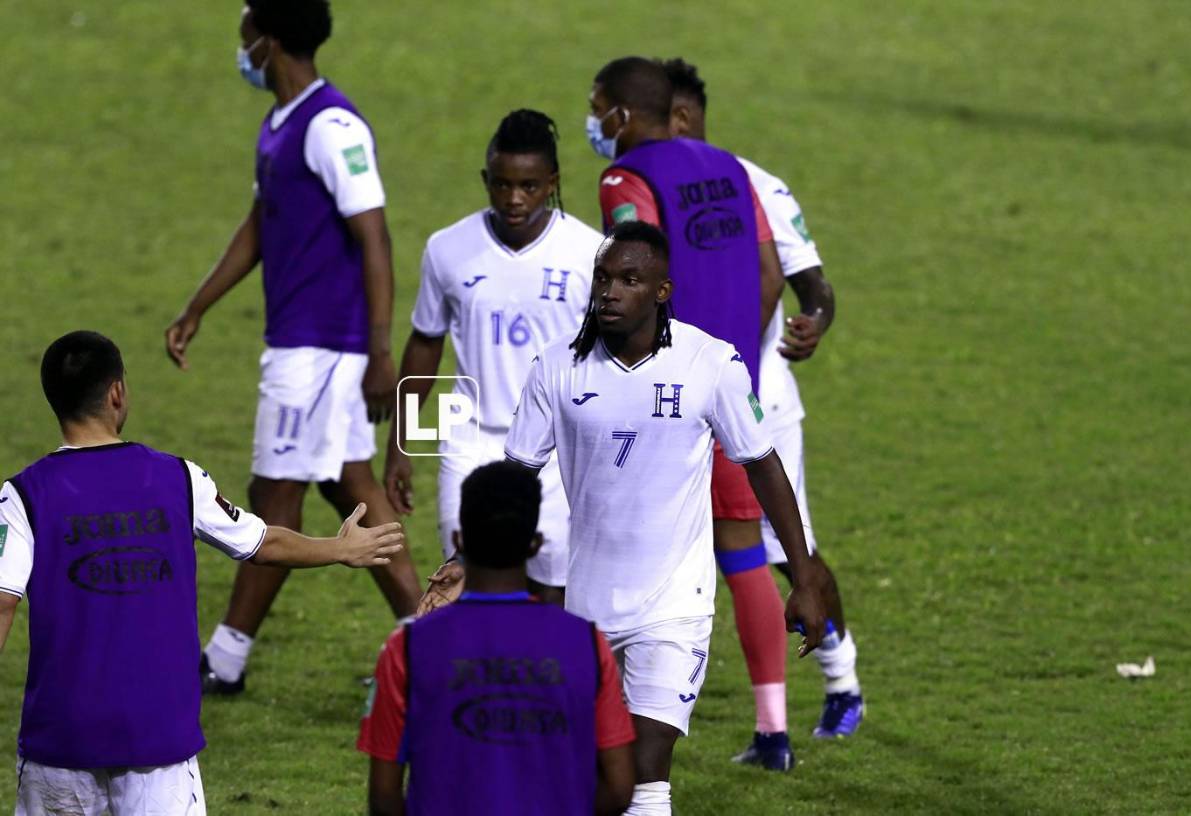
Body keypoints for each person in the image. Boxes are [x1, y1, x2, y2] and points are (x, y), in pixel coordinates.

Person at [502, 223, 833, 815]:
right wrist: (463, 562)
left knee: (647, 769)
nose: (610, 291)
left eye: (629, 279)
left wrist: (805, 576)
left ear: (661, 290)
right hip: (587, 604)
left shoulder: (710, 364)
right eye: (604, 278)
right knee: (592, 775)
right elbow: (515, 478)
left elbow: (764, 466)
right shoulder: (556, 368)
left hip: (674, 605)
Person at [0, 331, 404, 815]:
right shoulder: (178, 479)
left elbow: (3, 603)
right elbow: (261, 543)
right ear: (117, 393)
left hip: (59, 744)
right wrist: (337, 549)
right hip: (160, 746)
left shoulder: (22, 496)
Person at [164, 0, 420, 695]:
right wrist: (198, 306)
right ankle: (430, 637)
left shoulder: (332, 126)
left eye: (245, 31)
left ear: (268, 41)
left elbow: (376, 236)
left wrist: (379, 352)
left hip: (319, 351)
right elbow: (260, 224)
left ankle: (224, 660)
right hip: (303, 346)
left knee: (275, 500)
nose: (239, 45)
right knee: (349, 486)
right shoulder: (279, 125)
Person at [586, 56, 829, 769]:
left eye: (597, 108)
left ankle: (611, 728)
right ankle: (774, 731)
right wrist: (737, 364)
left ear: (623, 115)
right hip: (730, 381)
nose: (595, 123)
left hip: (658, 390)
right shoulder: (729, 167)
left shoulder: (624, 179)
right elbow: (768, 274)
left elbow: (639, 268)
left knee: (619, 547)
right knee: (744, 555)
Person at [662, 58, 864, 742]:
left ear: (679, 119)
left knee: (784, 547)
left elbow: (808, 283)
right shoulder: (654, 183)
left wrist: (815, 324)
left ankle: (840, 677)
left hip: (757, 399)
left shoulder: (753, 184)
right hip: (677, 400)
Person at [383, 109, 603, 604]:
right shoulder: (448, 249)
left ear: (552, 183)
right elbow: (424, 344)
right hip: (471, 440)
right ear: (486, 180)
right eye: (501, 185)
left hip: (558, 447)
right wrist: (401, 444)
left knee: (553, 591)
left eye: (528, 185)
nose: (514, 199)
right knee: (459, 582)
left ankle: (540, 682)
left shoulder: (589, 252)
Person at [358, 462, 636, 815]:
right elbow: (619, 786)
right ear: (534, 545)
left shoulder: (408, 647)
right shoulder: (585, 643)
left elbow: (383, 797)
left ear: (459, 540)